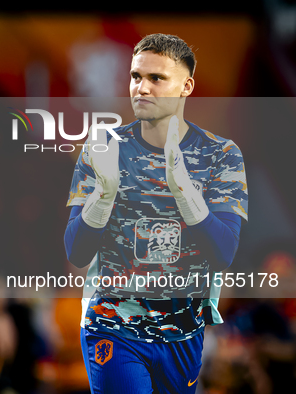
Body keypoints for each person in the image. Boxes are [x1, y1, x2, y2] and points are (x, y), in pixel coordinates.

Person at [64, 33, 248, 393]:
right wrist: (103, 196)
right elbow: (77, 251)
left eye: (156, 78)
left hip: (184, 332)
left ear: (186, 86)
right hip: (114, 325)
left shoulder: (221, 155)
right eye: (136, 77)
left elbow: (224, 253)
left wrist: (185, 192)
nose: (141, 88)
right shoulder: (103, 148)